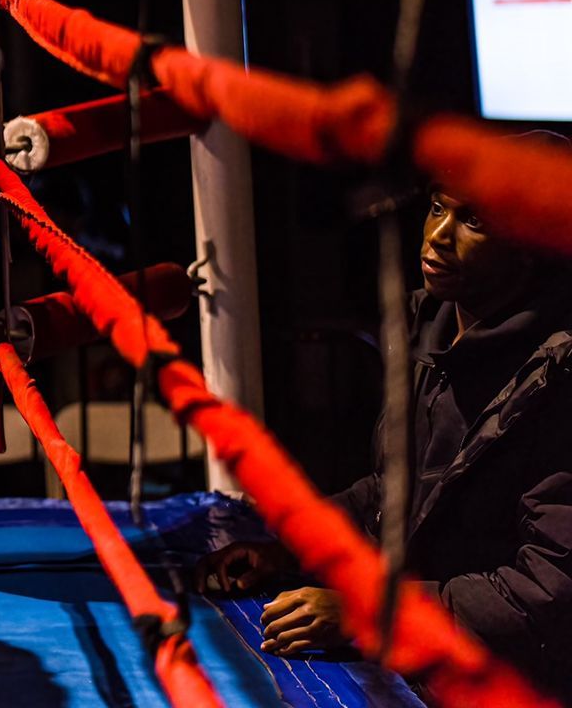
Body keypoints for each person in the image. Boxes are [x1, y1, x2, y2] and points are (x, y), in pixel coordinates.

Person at [199, 134, 572, 699]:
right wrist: (292, 551)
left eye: (475, 222)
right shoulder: (435, 327)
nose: (438, 237)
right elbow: (395, 491)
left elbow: (550, 587)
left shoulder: (562, 379)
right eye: (439, 207)